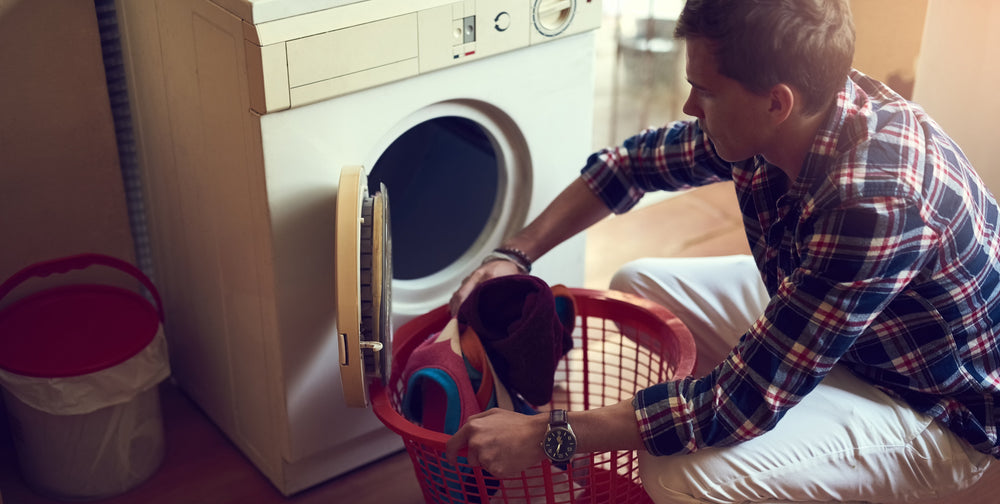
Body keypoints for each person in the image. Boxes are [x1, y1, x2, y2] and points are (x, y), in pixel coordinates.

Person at [443, 0, 1000, 502]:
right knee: (637, 284)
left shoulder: (874, 203)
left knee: (677, 475)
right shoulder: (795, 114)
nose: (690, 105)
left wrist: (549, 435)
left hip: (932, 406)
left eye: (705, 91)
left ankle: (775, 462)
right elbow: (628, 168)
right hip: (852, 333)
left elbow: (739, 402)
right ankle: (777, 433)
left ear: (777, 103)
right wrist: (514, 255)